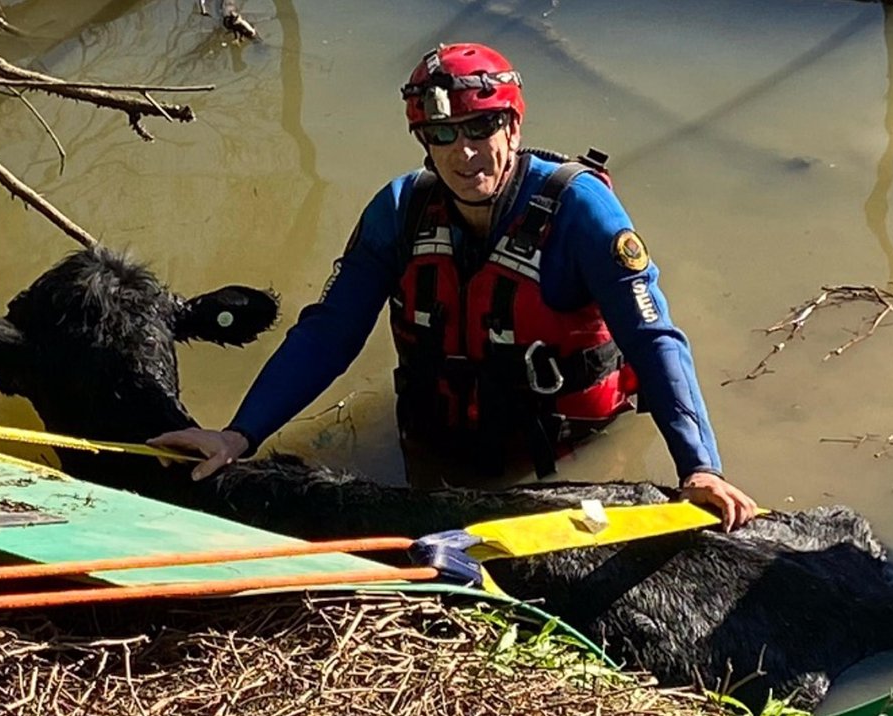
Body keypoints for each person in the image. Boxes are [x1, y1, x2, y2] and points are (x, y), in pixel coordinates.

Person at [150, 43, 758, 530]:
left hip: (564, 455)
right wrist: (239, 433)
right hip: (436, 443)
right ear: (423, 142)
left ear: (513, 128)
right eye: (443, 136)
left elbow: (653, 338)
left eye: (481, 129)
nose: (464, 154)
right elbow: (331, 330)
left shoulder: (581, 212)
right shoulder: (400, 210)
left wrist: (699, 467)